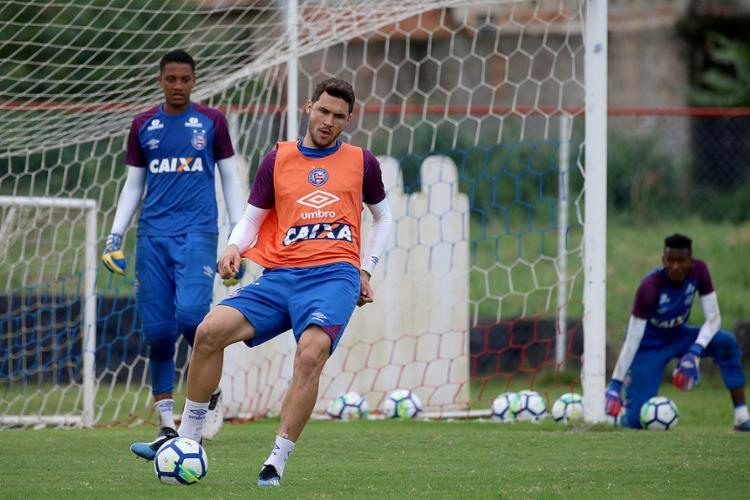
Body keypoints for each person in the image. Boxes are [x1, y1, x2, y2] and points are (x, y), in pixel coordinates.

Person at [139, 77, 393, 486]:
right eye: (323, 111)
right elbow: (254, 216)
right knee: (208, 331)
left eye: (338, 116)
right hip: (281, 275)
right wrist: (234, 246)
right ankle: (188, 439)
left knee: (310, 355)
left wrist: (366, 268)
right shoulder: (277, 159)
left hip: (334, 274)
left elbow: (384, 218)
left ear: (349, 119)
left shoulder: (362, 162)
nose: (328, 121)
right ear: (309, 107)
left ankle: (275, 462)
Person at [102, 49, 245, 454]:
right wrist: (115, 236)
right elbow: (133, 186)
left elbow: (230, 178)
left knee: (191, 320)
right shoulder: (142, 125)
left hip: (197, 234)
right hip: (151, 236)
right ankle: (167, 425)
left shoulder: (212, 122)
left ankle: (207, 394)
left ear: (194, 81)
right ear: (161, 80)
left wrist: (238, 236)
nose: (178, 86)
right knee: (158, 332)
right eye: (171, 79)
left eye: (185, 79)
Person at [604, 233, 750, 431]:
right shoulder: (650, 287)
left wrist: (695, 352)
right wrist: (615, 384)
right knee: (636, 422)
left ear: (691, 261)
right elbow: (632, 338)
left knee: (726, 342)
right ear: (663, 260)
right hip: (648, 347)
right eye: (670, 261)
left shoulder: (700, 271)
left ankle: (741, 417)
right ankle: (620, 416)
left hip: (680, 336)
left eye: (681, 261)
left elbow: (714, 318)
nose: (675, 266)